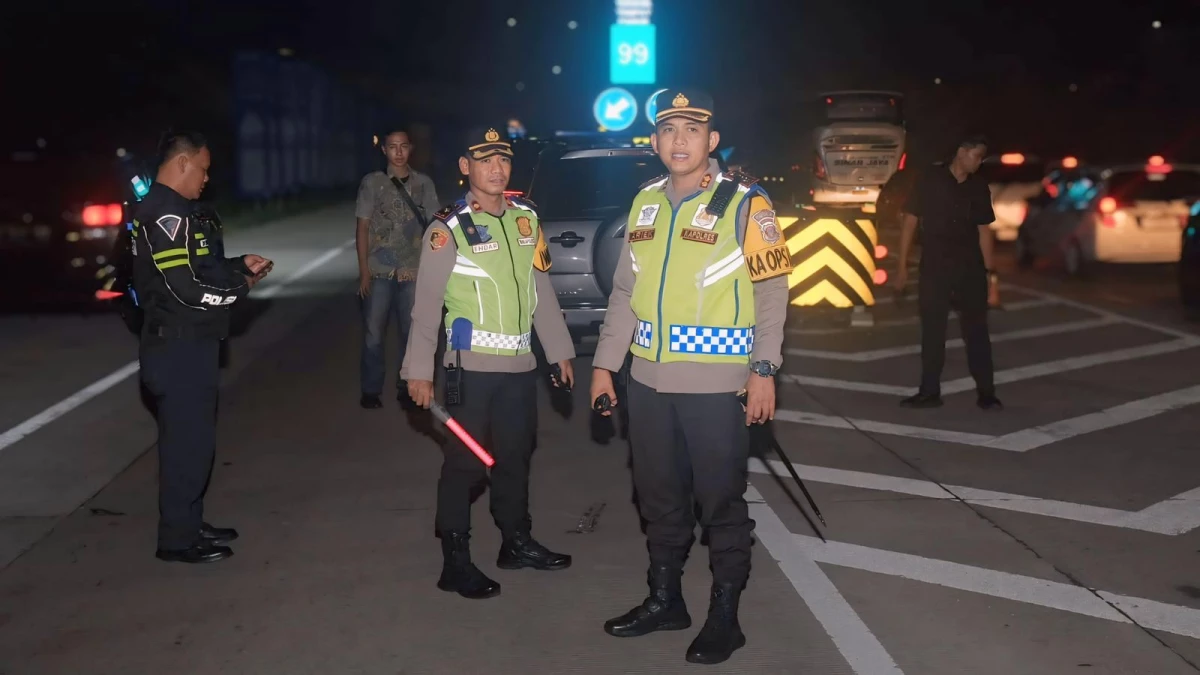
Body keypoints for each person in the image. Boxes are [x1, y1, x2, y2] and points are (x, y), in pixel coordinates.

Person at [590, 89, 792, 665]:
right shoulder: (645, 203)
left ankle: (725, 617)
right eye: (669, 129)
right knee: (658, 498)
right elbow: (626, 292)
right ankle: (665, 600)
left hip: (716, 383)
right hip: (648, 384)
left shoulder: (746, 203)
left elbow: (771, 288)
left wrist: (764, 368)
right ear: (653, 142)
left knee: (720, 503)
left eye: (692, 129)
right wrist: (606, 364)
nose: (679, 140)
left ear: (712, 141)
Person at [400, 127, 576, 600]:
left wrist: (558, 351)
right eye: (484, 160)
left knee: (516, 458)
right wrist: (418, 370)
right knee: (466, 465)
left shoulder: (525, 220)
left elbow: (541, 290)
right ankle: (455, 562)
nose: (496, 169)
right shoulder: (447, 228)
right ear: (466, 167)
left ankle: (516, 542)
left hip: (520, 366)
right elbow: (427, 304)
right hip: (469, 370)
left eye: (503, 159)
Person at [132, 131, 272, 563]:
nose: (207, 178)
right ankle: (176, 539)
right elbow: (186, 289)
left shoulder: (174, 211)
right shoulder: (166, 213)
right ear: (182, 164)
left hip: (188, 347)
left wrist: (234, 265)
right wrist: (241, 286)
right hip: (177, 350)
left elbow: (194, 267)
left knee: (194, 444)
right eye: (203, 169)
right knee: (185, 448)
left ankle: (189, 523)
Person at [894, 134, 1002, 410]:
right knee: (933, 332)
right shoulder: (930, 180)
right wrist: (902, 268)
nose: (980, 162)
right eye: (977, 155)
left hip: (970, 269)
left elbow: (984, 231)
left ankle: (986, 393)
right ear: (961, 152)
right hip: (935, 267)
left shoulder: (978, 187)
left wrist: (992, 277)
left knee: (976, 332)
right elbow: (910, 222)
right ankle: (930, 392)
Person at [355, 126, 440, 410]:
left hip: (413, 270)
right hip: (379, 269)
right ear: (384, 150)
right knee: (373, 334)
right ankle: (370, 390)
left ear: (410, 148)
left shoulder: (424, 184)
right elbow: (362, 226)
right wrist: (364, 270)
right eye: (393, 147)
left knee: (411, 331)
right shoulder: (372, 183)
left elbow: (435, 229)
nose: (399, 152)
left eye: (404, 146)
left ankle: (407, 385)